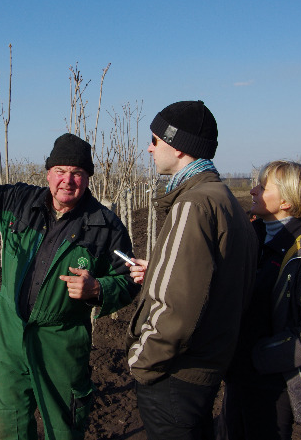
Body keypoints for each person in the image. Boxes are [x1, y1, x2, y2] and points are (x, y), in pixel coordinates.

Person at [0, 127, 139, 440]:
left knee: (63, 429)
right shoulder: (19, 202)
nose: (68, 180)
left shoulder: (105, 226)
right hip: (11, 335)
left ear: (88, 177)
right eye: (60, 171)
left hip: (61, 343)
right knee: (9, 425)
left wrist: (98, 290)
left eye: (77, 173)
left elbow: (128, 277)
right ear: (48, 173)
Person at [125, 100, 259, 439]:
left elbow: (179, 306)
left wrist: (143, 360)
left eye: (155, 140)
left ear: (179, 146)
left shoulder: (193, 203)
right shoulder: (222, 198)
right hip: (207, 365)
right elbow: (216, 281)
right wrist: (158, 270)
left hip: (176, 373)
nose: (149, 148)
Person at [223, 160, 301, 440]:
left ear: (287, 200)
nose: (252, 191)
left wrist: (262, 357)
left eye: (263, 187)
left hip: (274, 381)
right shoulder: (253, 237)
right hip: (237, 371)